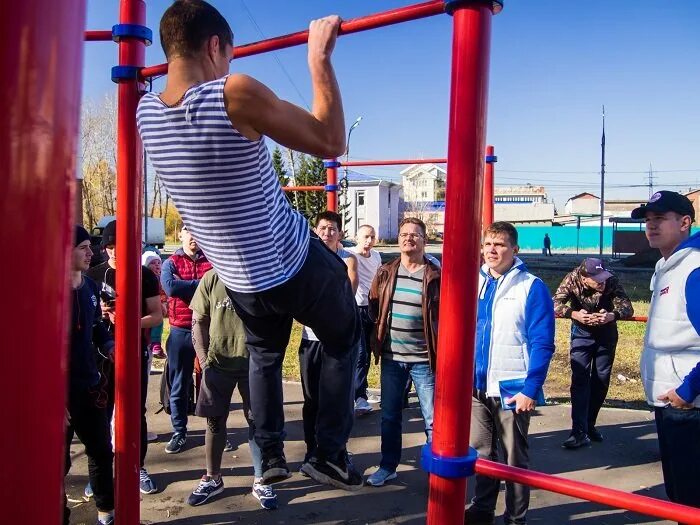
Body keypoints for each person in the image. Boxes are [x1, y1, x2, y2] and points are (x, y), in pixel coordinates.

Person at [137, 1, 362, 490]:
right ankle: (327, 453)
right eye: (230, 56)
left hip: (241, 282)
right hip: (292, 260)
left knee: (264, 354)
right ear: (216, 46)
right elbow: (331, 141)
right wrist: (319, 60)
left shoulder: (144, 112)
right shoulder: (232, 93)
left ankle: (272, 452)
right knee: (345, 336)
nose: (231, 67)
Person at [465, 221, 555, 525]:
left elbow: (542, 341)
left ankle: (516, 517)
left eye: (500, 244)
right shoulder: (473, 283)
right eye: (488, 243)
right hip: (476, 385)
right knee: (481, 453)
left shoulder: (531, 286)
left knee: (514, 457)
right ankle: (483, 507)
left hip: (512, 385)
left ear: (514, 249)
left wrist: (531, 388)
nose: (492, 250)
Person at [186, 269, 278, 509]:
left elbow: (277, 319)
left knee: (257, 421)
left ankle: (261, 479)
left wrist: (267, 361)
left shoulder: (261, 275)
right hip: (218, 364)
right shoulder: (211, 278)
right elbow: (198, 321)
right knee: (214, 422)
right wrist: (205, 362)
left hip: (254, 366)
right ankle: (213, 477)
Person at [632, 191, 700, 511]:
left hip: (689, 404)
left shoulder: (693, 268)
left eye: (659, 219)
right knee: (678, 493)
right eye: (647, 220)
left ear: (685, 222)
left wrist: (687, 390)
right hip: (671, 399)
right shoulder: (667, 265)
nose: (650, 226)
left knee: (690, 497)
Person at [85, 220, 163, 495]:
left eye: (121, 246)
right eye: (110, 246)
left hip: (134, 351)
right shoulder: (93, 275)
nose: (115, 251)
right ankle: (101, 471)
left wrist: (129, 321)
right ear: (104, 248)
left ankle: (137, 466)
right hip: (100, 353)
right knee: (101, 412)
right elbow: (85, 315)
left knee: (135, 410)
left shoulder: (145, 275)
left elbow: (156, 315)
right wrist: (102, 314)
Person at [365, 218, 441, 487]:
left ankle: (437, 473)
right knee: (390, 415)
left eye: (415, 235)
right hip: (392, 359)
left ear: (424, 240)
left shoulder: (435, 275)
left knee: (432, 419)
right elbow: (374, 307)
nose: (409, 238)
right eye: (404, 234)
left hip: (423, 360)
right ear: (398, 239)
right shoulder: (385, 272)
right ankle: (388, 466)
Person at [298, 211, 358, 478]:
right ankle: (313, 452)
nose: (326, 233)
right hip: (310, 339)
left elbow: (349, 289)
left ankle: (335, 452)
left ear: (340, 234)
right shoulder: (305, 259)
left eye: (332, 229)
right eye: (322, 228)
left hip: (336, 340)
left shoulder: (346, 259)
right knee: (312, 399)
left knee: (338, 400)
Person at [553, 258, 634, 448]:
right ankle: (578, 431)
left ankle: (589, 424)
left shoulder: (611, 280)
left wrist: (611, 316)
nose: (602, 282)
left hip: (606, 333)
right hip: (581, 333)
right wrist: (575, 314)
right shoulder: (572, 279)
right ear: (584, 278)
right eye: (597, 279)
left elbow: (627, 307)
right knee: (580, 380)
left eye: (603, 278)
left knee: (601, 379)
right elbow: (555, 302)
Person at [65, 226, 115, 525]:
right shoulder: (48, 292)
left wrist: (109, 345)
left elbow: (96, 326)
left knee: (100, 451)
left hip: (90, 385)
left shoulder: (91, 288)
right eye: (83, 247)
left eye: (90, 247)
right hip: (56, 394)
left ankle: (106, 512)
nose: (91, 252)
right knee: (57, 463)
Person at [161, 225, 212, 454]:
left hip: (207, 328)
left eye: (197, 231)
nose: (193, 236)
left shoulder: (210, 261)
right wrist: (201, 285)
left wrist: (187, 286)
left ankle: (214, 429)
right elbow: (170, 288)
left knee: (211, 382)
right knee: (179, 383)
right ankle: (179, 431)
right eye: (188, 231)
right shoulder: (170, 262)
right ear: (179, 235)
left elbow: (217, 286)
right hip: (180, 330)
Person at [352, 224, 383, 414]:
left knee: (371, 351)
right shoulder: (349, 254)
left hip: (372, 308)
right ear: (357, 237)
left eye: (372, 237)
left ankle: (361, 390)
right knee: (360, 354)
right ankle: (358, 397)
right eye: (365, 237)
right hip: (355, 308)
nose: (369, 241)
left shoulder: (377, 255)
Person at [142, 251, 167, 359]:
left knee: (158, 322)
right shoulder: (147, 279)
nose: (157, 265)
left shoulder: (161, 278)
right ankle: (155, 344)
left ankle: (156, 344)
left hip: (160, 306)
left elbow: (165, 292)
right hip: (149, 310)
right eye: (153, 263)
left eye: (158, 262)